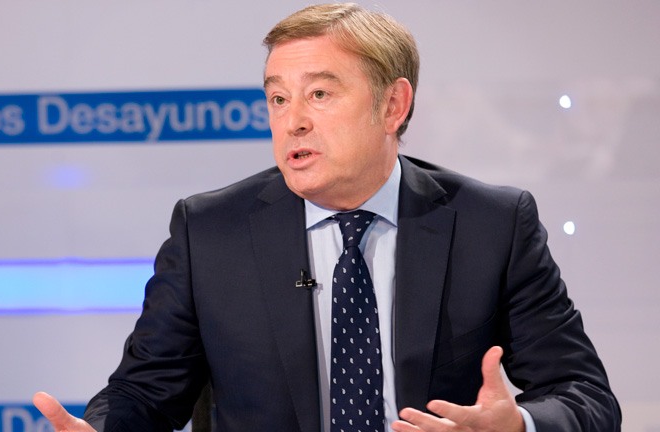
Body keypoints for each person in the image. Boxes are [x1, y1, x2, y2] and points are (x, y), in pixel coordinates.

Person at [34, 3, 621, 431]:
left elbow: (586, 397)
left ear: (393, 105)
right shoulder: (209, 231)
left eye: (319, 94)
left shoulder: (491, 225)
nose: (292, 121)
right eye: (278, 98)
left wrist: (517, 424)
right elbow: (144, 393)